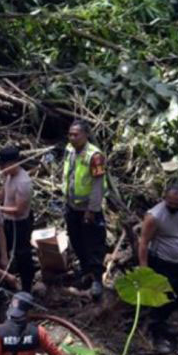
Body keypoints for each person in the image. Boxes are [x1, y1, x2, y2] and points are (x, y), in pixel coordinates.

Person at [138, 184, 178, 354]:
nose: (173, 207)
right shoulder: (155, 216)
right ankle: (156, 335)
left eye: (177, 204)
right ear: (164, 199)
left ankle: (164, 324)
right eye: (170, 203)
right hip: (161, 261)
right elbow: (143, 242)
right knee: (161, 299)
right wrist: (144, 269)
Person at [62, 120, 107, 299]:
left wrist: (92, 210)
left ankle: (96, 278)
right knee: (76, 240)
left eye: (76, 135)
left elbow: (98, 185)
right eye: (70, 134)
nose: (72, 138)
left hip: (88, 208)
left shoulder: (95, 156)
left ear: (86, 135)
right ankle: (85, 271)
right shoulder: (69, 150)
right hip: (71, 206)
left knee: (94, 242)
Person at [0, 146, 35, 292]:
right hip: (7, 221)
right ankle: (6, 284)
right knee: (2, 252)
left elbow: (19, 211)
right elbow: (2, 195)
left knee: (22, 255)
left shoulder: (23, 183)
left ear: (13, 163)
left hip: (20, 224)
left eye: (3, 166)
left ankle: (27, 288)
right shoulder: (9, 176)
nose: (1, 169)